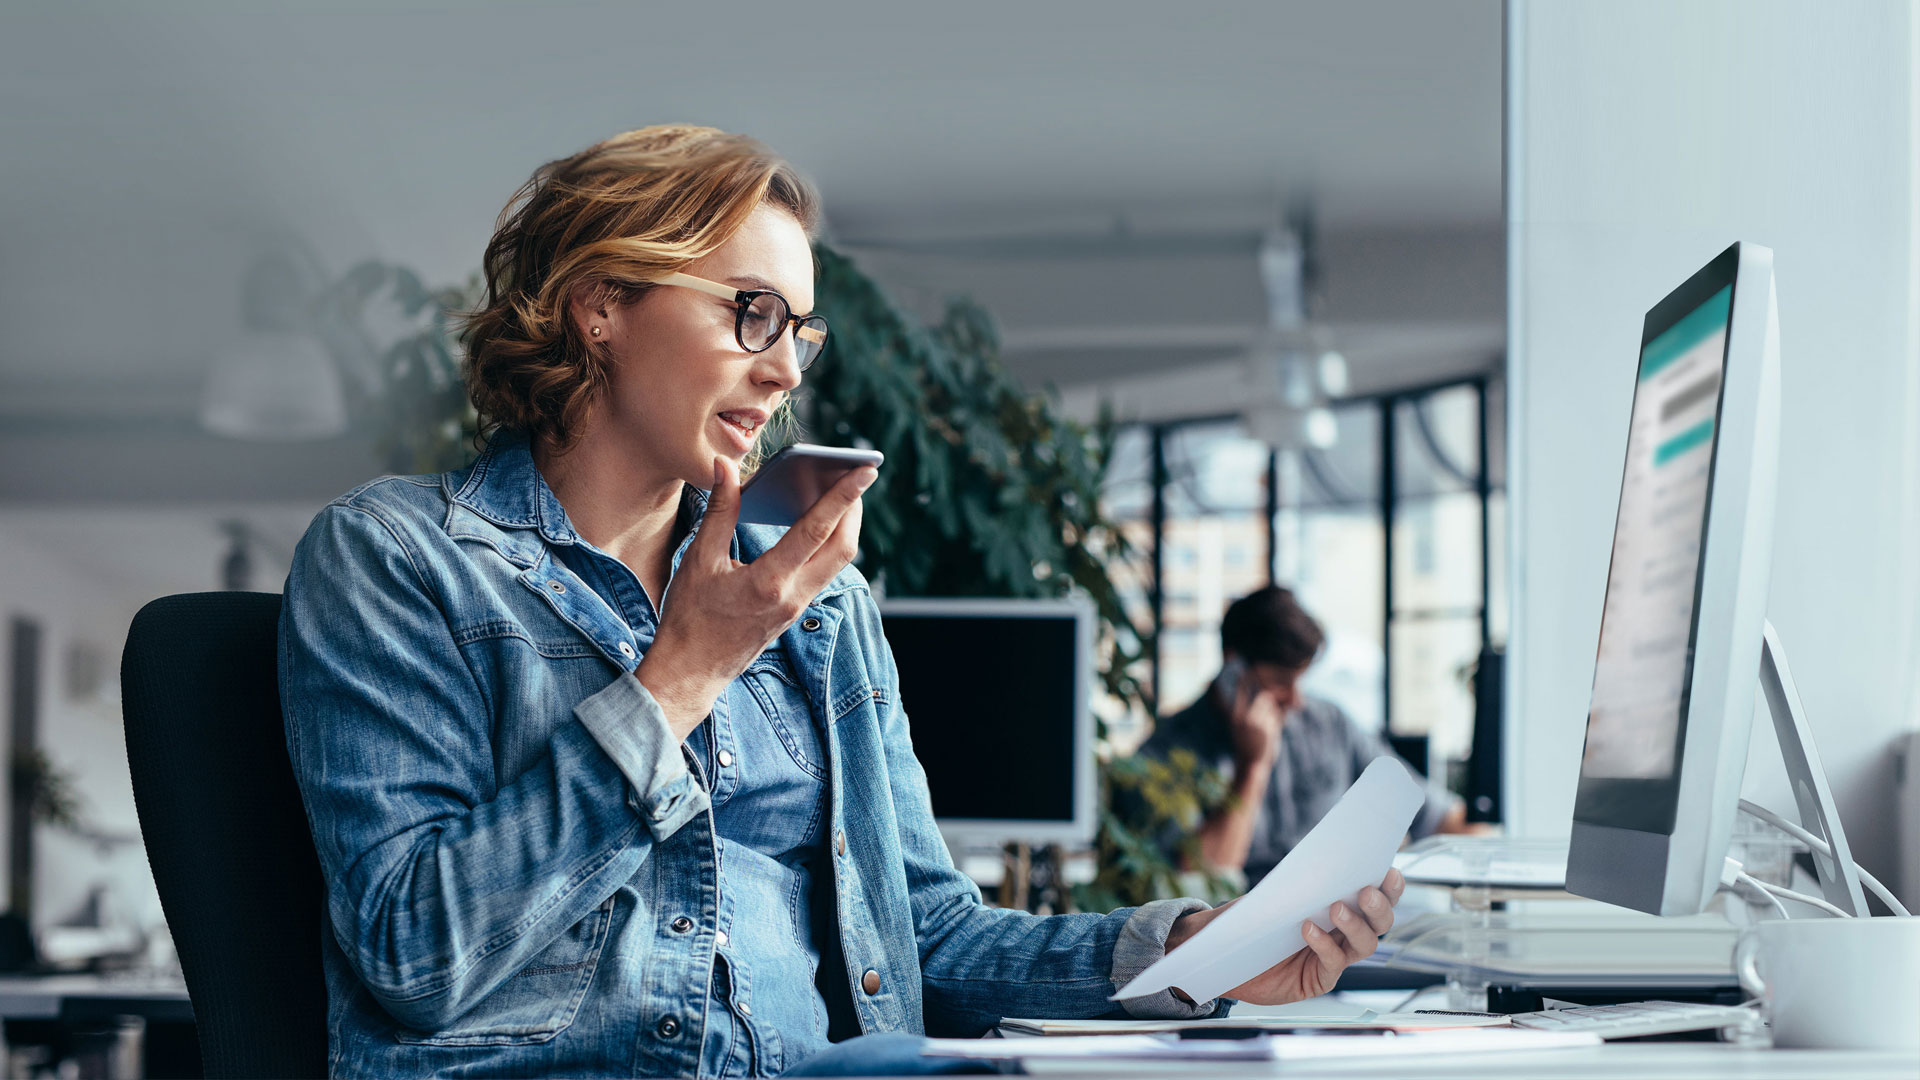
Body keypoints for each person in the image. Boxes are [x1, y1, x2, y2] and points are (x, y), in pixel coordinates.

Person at [278, 126, 1404, 1079]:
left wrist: (1194, 956)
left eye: (797, 333)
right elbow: (415, 953)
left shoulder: (819, 607)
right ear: (599, 305)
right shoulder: (399, 559)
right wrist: (680, 678)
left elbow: (927, 936)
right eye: (750, 312)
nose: (784, 373)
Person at [1141, 586, 1483, 886]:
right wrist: (1253, 766)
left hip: (1335, 927)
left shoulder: (1327, 724)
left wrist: (1486, 841)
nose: (1295, 699)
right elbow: (1201, 878)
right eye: (1279, 681)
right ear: (1233, 668)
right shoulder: (1166, 752)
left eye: (1300, 679)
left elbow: (1432, 814)